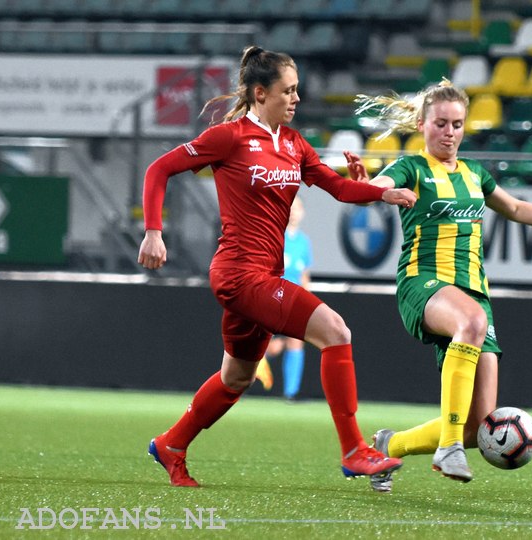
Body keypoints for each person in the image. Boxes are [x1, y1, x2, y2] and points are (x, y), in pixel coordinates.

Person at [137, 45, 415, 487]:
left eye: (298, 90)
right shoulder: (229, 137)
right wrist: (154, 230)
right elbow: (158, 170)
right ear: (260, 93)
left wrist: (379, 191)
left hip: (264, 276)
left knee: (238, 375)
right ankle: (354, 451)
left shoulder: (293, 144)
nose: (297, 98)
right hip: (238, 275)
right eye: (288, 91)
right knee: (336, 331)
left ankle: (171, 443)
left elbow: (338, 189)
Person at [352, 80, 532, 491]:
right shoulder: (411, 168)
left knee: (479, 425)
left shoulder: (475, 174)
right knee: (470, 324)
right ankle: (447, 447)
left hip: (474, 294)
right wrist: (370, 190)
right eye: (441, 123)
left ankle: (391, 444)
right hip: (423, 284)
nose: (450, 133)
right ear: (422, 124)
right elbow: (379, 186)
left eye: (457, 124)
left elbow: (514, 207)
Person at [258, 195, 312, 401]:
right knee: (268, 345)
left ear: (303, 212)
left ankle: (291, 393)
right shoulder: (275, 237)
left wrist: (307, 303)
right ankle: (242, 378)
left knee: (296, 342)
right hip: (273, 298)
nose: (294, 212)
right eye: (291, 207)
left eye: (298, 208)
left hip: (295, 300)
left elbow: (304, 276)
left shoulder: (304, 243)